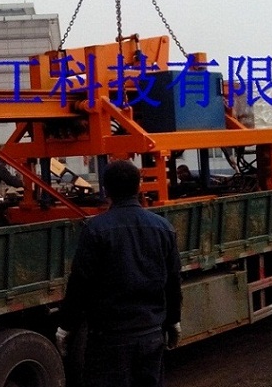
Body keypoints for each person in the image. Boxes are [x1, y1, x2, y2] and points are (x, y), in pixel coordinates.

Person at [55, 160, 182, 387]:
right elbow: (173, 281)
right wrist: (174, 321)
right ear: (139, 187)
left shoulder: (95, 230)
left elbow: (80, 283)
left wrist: (66, 326)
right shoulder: (163, 228)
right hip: (151, 334)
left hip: (109, 339)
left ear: (106, 190)